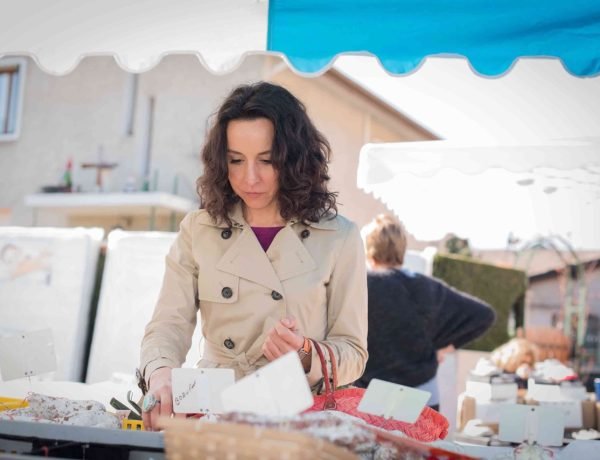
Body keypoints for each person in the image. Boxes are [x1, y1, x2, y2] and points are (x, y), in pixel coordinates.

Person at [139, 82, 368, 430]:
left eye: (267, 160)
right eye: (235, 160)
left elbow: (353, 351)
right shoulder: (198, 230)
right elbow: (167, 325)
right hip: (211, 414)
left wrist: (305, 353)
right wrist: (160, 373)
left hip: (296, 423)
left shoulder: (339, 237)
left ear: (294, 159)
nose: (249, 178)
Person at [355, 214, 495, 410]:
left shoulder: (360, 285)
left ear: (369, 249)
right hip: (421, 398)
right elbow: (484, 315)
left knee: (370, 442)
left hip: (369, 396)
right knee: (420, 442)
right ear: (401, 248)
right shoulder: (427, 287)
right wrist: (445, 347)